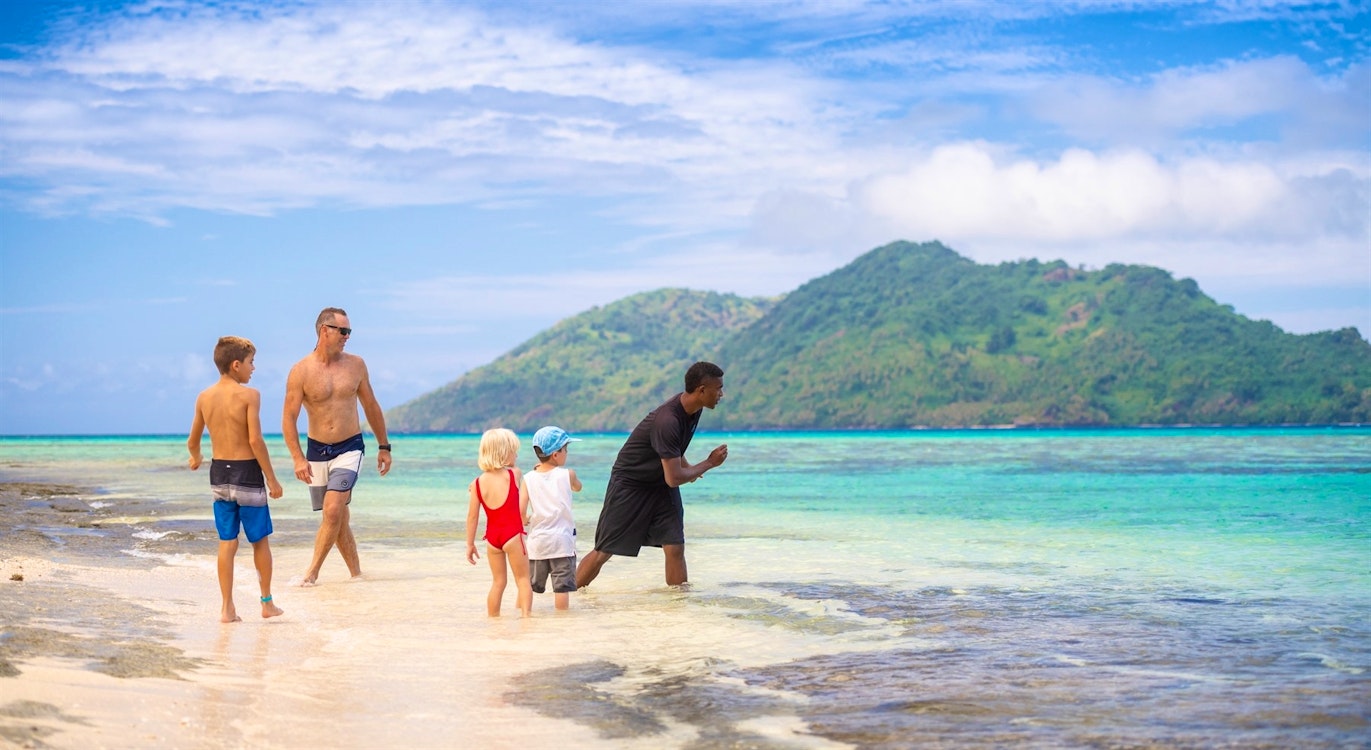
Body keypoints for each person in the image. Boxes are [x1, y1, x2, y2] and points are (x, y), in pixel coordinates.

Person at [575, 361, 728, 589]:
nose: (721, 394)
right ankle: (566, 598)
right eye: (718, 388)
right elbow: (674, 478)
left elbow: (674, 448)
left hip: (659, 484)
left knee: (675, 545)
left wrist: (688, 467)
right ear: (702, 390)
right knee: (605, 549)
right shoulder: (668, 420)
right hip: (631, 483)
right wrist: (708, 463)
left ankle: (679, 606)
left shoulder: (694, 410)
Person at [282, 307, 392, 586]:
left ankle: (311, 573)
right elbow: (288, 419)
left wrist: (384, 446)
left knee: (333, 509)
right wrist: (297, 458)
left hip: (350, 447)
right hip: (317, 450)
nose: (347, 337)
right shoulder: (301, 371)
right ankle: (356, 574)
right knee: (338, 515)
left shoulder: (356, 365)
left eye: (349, 331)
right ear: (324, 331)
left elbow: (371, 406)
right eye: (343, 331)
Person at [188, 336, 285, 623]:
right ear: (236, 365)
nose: (253, 368)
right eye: (251, 362)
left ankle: (227, 608)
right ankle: (266, 603)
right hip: (247, 473)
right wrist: (272, 478)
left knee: (227, 542)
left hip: (219, 473)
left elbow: (193, 441)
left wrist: (195, 458)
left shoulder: (204, 397)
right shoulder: (250, 395)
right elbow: (255, 440)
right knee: (259, 541)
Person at [465, 428, 533, 617]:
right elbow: (521, 500)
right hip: (513, 536)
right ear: (503, 453)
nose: (517, 455)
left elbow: (472, 517)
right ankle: (527, 619)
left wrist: (470, 544)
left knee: (498, 582)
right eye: (513, 451)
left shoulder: (477, 484)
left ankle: (493, 620)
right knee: (523, 580)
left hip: (493, 540)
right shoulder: (514, 474)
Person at [525, 426, 583, 610]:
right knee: (561, 589)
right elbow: (577, 487)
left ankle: (524, 615)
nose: (566, 453)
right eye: (565, 449)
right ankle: (562, 621)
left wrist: (526, 518)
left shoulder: (528, 478)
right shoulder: (568, 474)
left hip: (538, 543)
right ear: (556, 454)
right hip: (562, 543)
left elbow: (520, 510)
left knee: (528, 585)